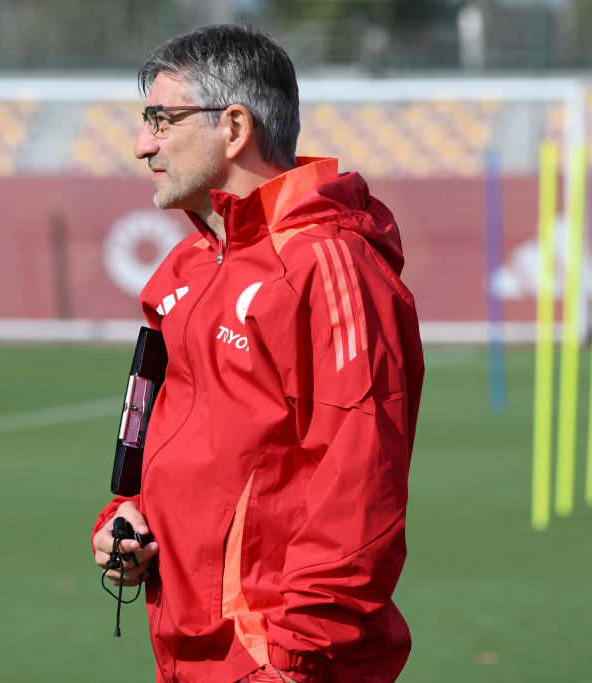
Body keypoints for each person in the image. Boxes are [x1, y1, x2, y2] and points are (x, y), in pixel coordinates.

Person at [91, 24, 424, 683]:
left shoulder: (329, 266)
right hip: (188, 654)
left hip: (280, 662)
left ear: (234, 126)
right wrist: (129, 518)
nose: (142, 144)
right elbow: (186, 443)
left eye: (162, 119)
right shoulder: (186, 265)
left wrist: (295, 660)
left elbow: (359, 487)